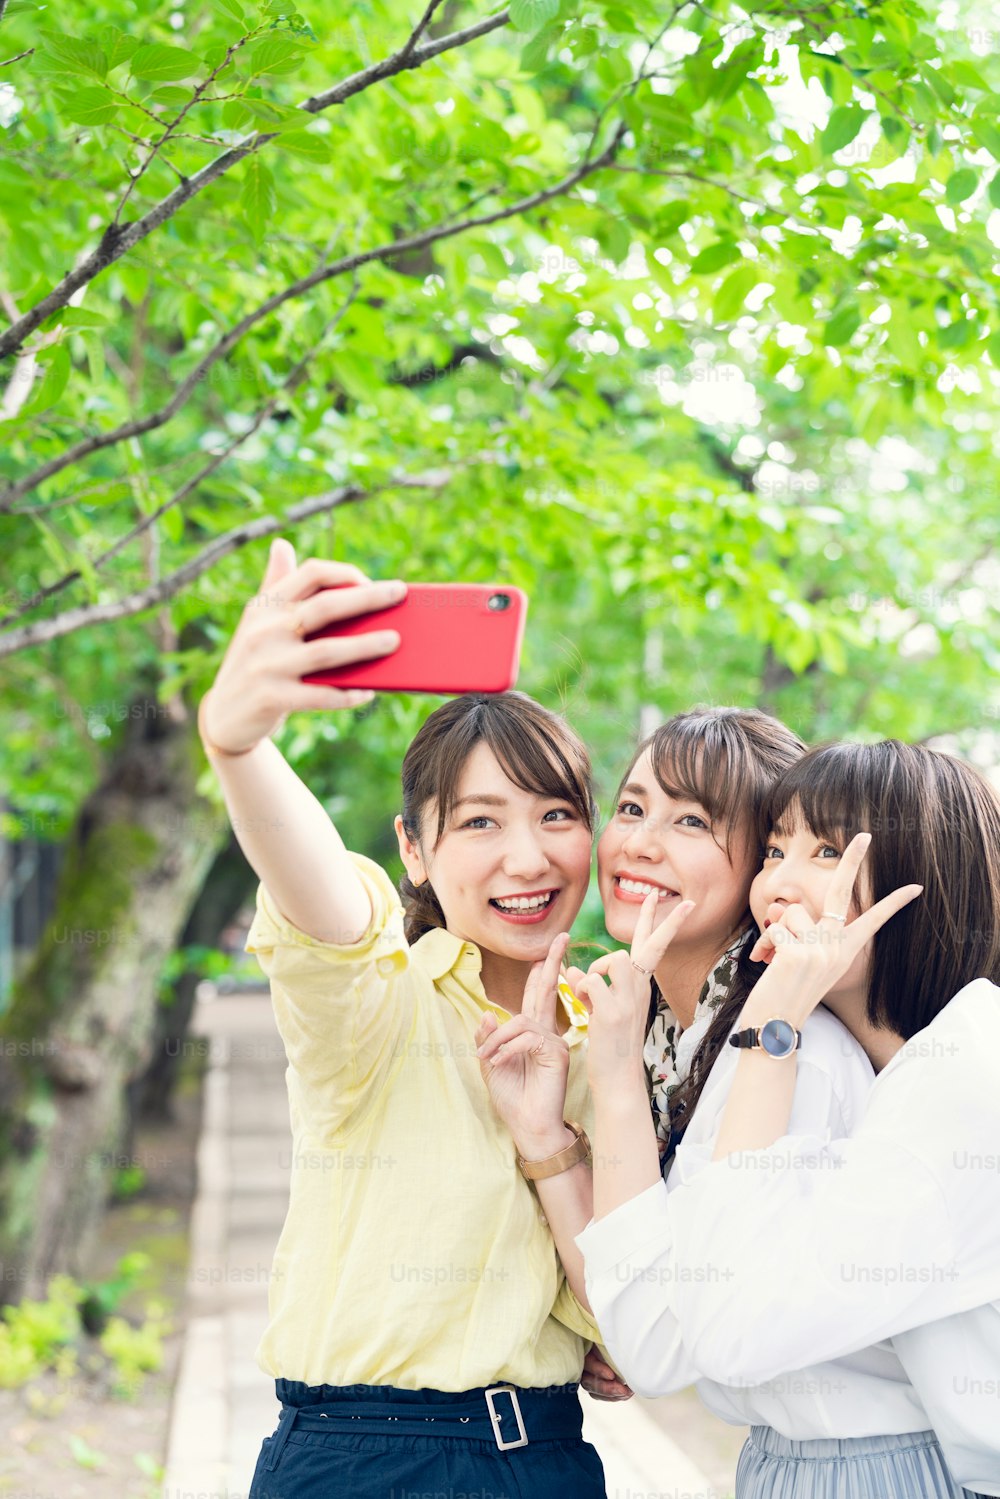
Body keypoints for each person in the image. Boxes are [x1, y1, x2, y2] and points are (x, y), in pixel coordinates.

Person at [198, 539, 610, 1499]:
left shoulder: (613, 1040)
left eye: (557, 815)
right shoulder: (378, 1002)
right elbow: (323, 900)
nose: (528, 857)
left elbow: (634, 1319)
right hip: (360, 1455)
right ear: (413, 849)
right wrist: (239, 744)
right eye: (478, 821)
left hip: (547, 1458)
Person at [477, 710, 929, 1459]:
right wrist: (546, 1139)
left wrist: (614, 1079)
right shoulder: (675, 1042)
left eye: (690, 819)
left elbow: (655, 1345)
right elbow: (634, 1307)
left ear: (763, 863)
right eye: (631, 807)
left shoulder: (789, 1049)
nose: (638, 843)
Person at [572, 740, 1000, 1498]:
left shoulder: (958, 1077)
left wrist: (770, 1025)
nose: (781, 882)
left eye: (828, 850)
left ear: (926, 883)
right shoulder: (899, 1069)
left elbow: (722, 1330)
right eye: (775, 848)